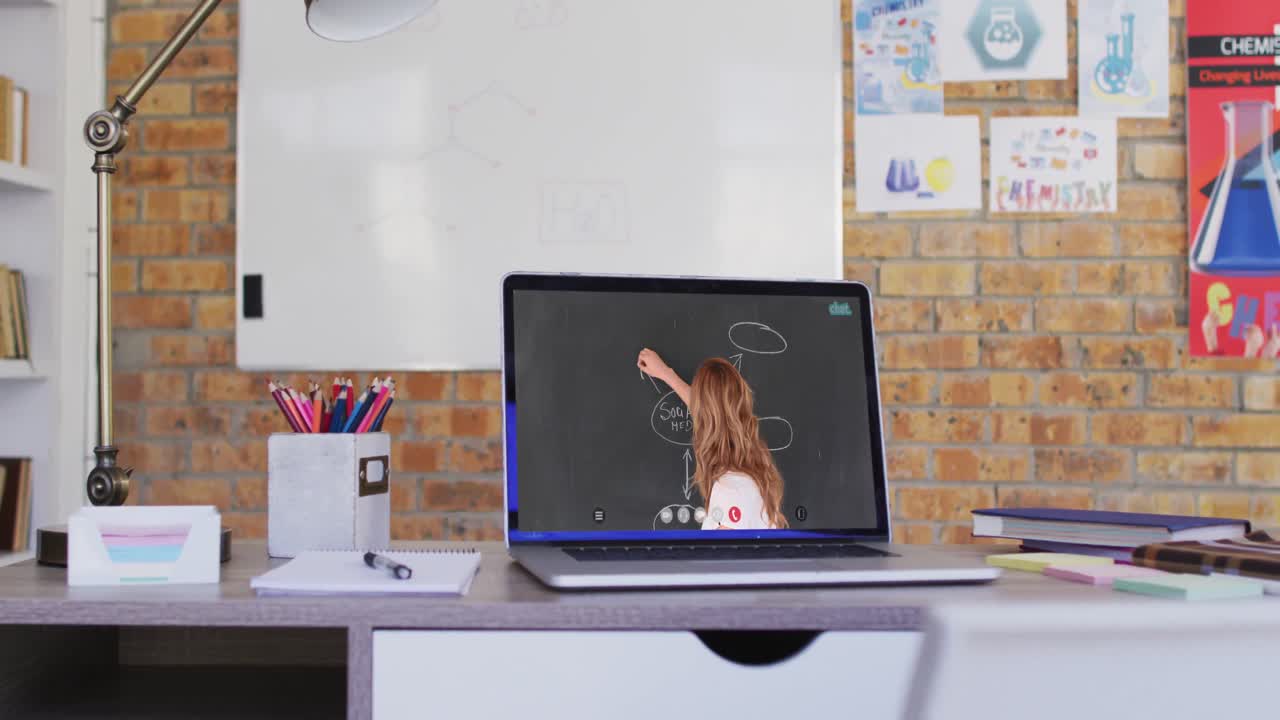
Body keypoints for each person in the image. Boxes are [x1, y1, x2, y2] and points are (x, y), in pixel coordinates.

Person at [637, 348, 788, 530]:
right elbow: (713, 415)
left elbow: (724, 558)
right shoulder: (754, 474)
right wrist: (666, 374)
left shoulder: (729, 492)